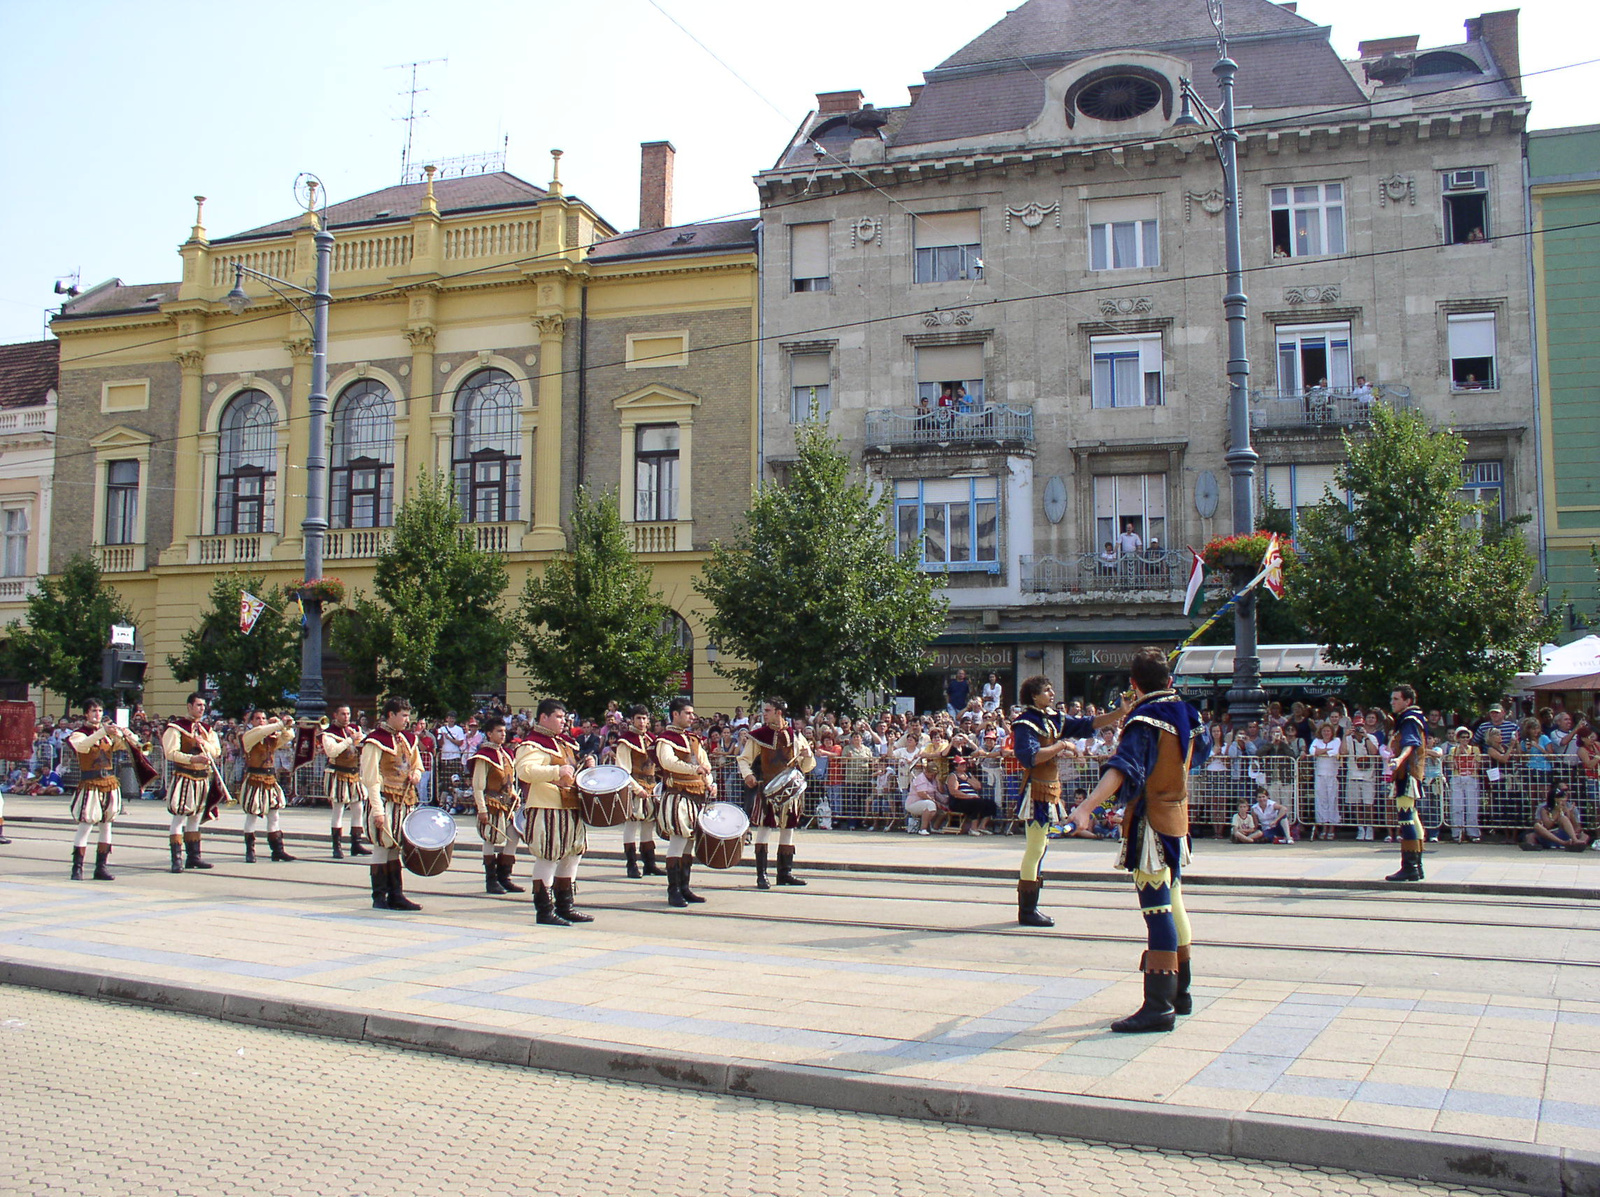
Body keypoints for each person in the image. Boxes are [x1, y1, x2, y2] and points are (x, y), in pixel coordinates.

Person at [1069, 649, 1210, 1033]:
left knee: (1157, 910)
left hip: (1151, 822)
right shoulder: (1188, 712)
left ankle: (1158, 1004)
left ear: (1133, 683)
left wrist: (1086, 807)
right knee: (1175, 901)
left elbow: (1122, 769)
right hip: (1178, 816)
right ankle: (1181, 994)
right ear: (1169, 680)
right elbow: (1202, 753)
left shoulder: (1143, 721)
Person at [1011, 674, 1124, 928]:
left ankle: (1030, 906)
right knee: (1036, 849)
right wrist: (1062, 745)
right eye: (1047, 690)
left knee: (1040, 848)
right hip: (1036, 792)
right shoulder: (1025, 723)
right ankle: (1027, 909)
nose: (1052, 694)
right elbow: (1030, 757)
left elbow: (1088, 723)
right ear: (1034, 695)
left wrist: (1118, 713)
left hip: (1049, 790)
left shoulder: (1051, 718)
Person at [516, 699, 595, 925]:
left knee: (573, 855)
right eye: (558, 717)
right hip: (547, 806)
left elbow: (571, 773)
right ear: (543, 718)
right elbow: (525, 771)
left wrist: (586, 766)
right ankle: (544, 910)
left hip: (570, 806)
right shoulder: (533, 744)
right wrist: (556, 770)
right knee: (548, 856)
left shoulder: (563, 743)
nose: (564, 721)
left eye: (564, 717)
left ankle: (565, 905)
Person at [738, 698, 817, 889]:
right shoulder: (759, 736)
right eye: (764, 710)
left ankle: (785, 873)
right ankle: (762, 875)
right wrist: (748, 775)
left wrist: (807, 756)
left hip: (789, 792)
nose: (764, 714)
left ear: (779, 712)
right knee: (765, 829)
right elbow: (743, 759)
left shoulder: (796, 736)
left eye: (768, 710)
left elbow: (806, 767)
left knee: (788, 829)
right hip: (767, 789)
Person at [361, 696, 426, 912]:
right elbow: (370, 778)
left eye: (408, 715)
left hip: (404, 800)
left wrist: (416, 774)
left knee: (395, 849)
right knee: (381, 847)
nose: (407, 720)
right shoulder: (374, 741)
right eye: (404, 715)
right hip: (384, 800)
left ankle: (396, 894)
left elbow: (417, 764)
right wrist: (377, 811)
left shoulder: (408, 739)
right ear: (391, 715)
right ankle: (379, 896)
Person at [656, 696, 717, 908]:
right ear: (675, 714)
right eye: (688, 713)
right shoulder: (665, 739)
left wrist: (710, 781)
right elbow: (668, 762)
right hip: (678, 795)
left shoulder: (694, 739)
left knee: (689, 843)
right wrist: (694, 770)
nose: (692, 716)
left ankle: (684, 888)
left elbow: (704, 763)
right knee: (678, 841)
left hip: (696, 795)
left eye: (692, 713)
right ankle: (673, 891)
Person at [161, 692, 222, 873]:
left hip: (202, 778)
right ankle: (176, 859)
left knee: (196, 817)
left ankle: (194, 857)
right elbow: (170, 753)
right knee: (179, 816)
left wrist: (204, 743)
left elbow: (216, 751)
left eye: (203, 706)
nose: (201, 709)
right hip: (185, 776)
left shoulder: (206, 729)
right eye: (198, 705)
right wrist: (192, 759)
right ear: (189, 706)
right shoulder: (176, 727)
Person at [67, 700, 127, 881]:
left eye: (100, 710)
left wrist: (124, 734)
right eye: (94, 711)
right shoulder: (78, 734)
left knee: (107, 825)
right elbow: (82, 747)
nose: (98, 714)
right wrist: (102, 731)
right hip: (90, 782)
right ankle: (77, 867)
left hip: (108, 782)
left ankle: (101, 867)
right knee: (86, 824)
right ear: (86, 713)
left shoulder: (107, 735)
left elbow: (125, 746)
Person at [470, 716, 524, 896]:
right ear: (489, 734)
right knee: (490, 839)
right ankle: (491, 880)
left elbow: (510, 781)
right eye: (499, 731)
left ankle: (504, 877)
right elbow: (478, 784)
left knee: (513, 837)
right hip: (491, 803)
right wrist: (482, 809)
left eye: (504, 731)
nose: (503, 734)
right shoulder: (484, 756)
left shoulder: (507, 754)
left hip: (507, 804)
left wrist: (514, 795)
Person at [239, 711, 296, 864]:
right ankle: (250, 851)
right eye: (257, 718)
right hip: (255, 779)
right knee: (252, 814)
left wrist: (284, 726)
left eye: (263, 718)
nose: (261, 721)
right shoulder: (248, 736)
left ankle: (277, 850)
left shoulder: (269, 738)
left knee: (274, 815)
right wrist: (277, 725)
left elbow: (288, 736)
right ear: (251, 721)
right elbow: (259, 732)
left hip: (270, 778)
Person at [614, 704, 664, 879]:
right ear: (632, 720)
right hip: (633, 787)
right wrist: (636, 788)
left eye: (644, 718)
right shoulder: (625, 741)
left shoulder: (652, 739)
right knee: (631, 824)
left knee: (648, 825)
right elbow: (622, 770)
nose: (642, 722)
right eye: (638, 718)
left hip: (651, 786)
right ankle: (631, 864)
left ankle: (649, 863)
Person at [1386, 684, 1429, 881]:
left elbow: (1410, 744)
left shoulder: (1409, 720)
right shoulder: (1414, 718)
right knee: (1412, 817)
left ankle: (1410, 866)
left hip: (1407, 774)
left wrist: (1398, 760)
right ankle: (1416, 866)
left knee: (1406, 817)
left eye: (1396, 699)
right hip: (1413, 773)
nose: (1392, 702)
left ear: (1407, 701)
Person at [322, 705, 371, 858]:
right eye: (343, 714)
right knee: (338, 810)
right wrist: (349, 739)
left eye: (348, 714)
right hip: (338, 773)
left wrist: (360, 738)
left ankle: (356, 844)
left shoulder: (354, 728)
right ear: (335, 715)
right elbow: (332, 751)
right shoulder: (328, 733)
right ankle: (336, 846)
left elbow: (364, 745)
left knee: (358, 809)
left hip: (354, 774)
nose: (346, 717)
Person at [944, 755, 996, 833]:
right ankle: (973, 828)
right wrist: (969, 796)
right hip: (959, 801)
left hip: (972, 798)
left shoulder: (968, 775)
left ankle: (982, 826)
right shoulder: (953, 776)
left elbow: (978, 786)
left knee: (990, 803)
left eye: (964, 764)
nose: (964, 766)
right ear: (956, 766)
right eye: (961, 764)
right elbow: (954, 792)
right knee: (976, 803)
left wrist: (967, 779)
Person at [1447, 727, 1483, 842]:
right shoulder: (1453, 750)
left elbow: (1478, 765)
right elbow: (1451, 766)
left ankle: (1473, 833)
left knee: (1472, 806)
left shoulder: (1475, 749)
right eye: (1463, 737)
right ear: (1458, 738)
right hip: (1457, 777)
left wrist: (1467, 755)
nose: (1465, 740)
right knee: (1457, 806)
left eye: (1467, 737)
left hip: (1471, 778)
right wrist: (1459, 752)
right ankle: (1457, 833)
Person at [1308, 723, 1342, 840]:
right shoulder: (1317, 740)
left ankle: (1332, 827)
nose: (1326, 733)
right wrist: (1325, 750)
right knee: (1321, 800)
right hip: (1320, 774)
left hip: (1332, 774)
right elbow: (1313, 752)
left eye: (1328, 731)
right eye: (1324, 731)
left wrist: (1321, 751)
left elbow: (1334, 752)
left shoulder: (1336, 740)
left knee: (1332, 799)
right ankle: (1323, 827)